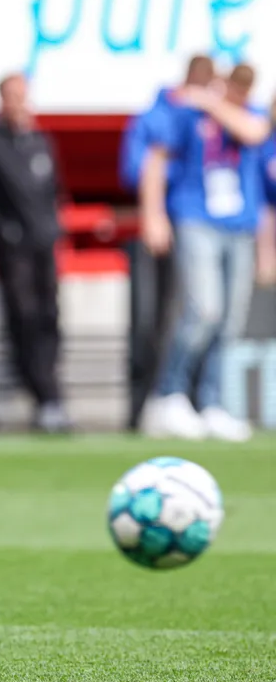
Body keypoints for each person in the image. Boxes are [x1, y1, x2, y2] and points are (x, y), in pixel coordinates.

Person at [138, 64, 270, 442]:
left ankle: (212, 401)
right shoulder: (187, 114)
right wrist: (153, 214)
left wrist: (212, 103)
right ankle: (169, 395)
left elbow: (255, 132)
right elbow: (156, 159)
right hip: (197, 218)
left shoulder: (242, 115)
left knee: (230, 322)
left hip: (239, 226)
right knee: (203, 310)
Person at [0, 73, 71, 433]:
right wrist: (3, 228)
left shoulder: (39, 141)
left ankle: (50, 392)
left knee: (49, 315)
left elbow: (53, 189)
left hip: (43, 243)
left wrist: (53, 225)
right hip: (14, 246)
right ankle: (42, 393)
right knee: (23, 316)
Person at [121, 55, 216, 431]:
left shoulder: (210, 116)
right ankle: (148, 405)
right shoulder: (164, 115)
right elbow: (149, 164)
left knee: (195, 316)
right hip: (168, 226)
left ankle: (189, 401)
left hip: (199, 226)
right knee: (153, 321)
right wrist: (153, 214)